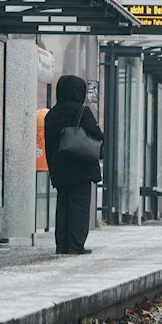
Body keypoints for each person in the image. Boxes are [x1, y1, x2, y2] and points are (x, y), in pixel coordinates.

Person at [44, 75, 104, 255]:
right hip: (81, 168)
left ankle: (61, 245)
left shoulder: (51, 114)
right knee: (79, 207)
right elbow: (97, 136)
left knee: (62, 207)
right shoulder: (81, 111)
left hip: (60, 170)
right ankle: (76, 245)